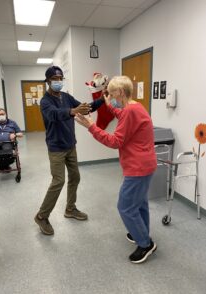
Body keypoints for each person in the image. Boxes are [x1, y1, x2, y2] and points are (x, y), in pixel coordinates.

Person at [75, 75, 157, 264]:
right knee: (140, 203)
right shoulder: (135, 106)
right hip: (146, 164)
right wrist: (107, 103)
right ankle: (140, 233)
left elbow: (115, 142)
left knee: (126, 207)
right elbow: (120, 114)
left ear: (120, 92)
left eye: (111, 94)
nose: (110, 97)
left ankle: (145, 244)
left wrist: (91, 126)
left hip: (138, 167)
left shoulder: (129, 111)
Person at [34, 65, 105, 235]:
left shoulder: (66, 96)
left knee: (75, 177)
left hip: (70, 145)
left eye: (60, 79)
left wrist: (103, 98)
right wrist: (73, 111)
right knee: (58, 181)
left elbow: (86, 108)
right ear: (48, 81)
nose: (58, 82)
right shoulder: (45, 102)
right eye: (54, 79)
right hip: (56, 148)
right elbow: (54, 115)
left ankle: (70, 209)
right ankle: (42, 216)